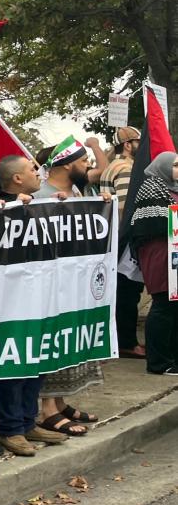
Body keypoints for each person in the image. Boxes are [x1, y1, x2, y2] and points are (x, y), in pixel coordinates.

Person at [0, 156, 51, 456]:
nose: (38, 174)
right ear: (17, 179)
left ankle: (26, 420)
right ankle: (9, 428)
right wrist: (0, 207)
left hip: (35, 293)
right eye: (32, 170)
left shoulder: (36, 203)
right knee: (11, 360)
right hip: (5, 300)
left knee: (36, 357)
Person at [33, 139, 104, 434]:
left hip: (71, 284)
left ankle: (60, 403)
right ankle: (47, 409)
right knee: (51, 341)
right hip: (49, 286)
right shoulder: (40, 196)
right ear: (66, 164)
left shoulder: (78, 192)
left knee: (66, 341)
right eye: (83, 160)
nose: (88, 166)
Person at [130, 152, 178, 375]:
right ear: (164, 167)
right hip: (160, 254)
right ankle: (158, 362)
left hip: (173, 253)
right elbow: (155, 223)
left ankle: (172, 358)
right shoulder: (152, 186)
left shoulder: (172, 188)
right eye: (176, 165)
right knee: (163, 305)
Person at [103, 127, 146, 359]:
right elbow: (125, 209)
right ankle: (127, 342)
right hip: (124, 241)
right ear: (128, 145)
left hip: (115, 240)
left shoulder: (115, 166)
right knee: (128, 293)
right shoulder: (125, 168)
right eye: (139, 141)